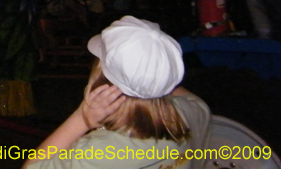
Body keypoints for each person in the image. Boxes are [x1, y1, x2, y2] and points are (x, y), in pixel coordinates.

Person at [24, 16, 211, 169]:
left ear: (103, 79)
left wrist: (81, 118)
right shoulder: (192, 110)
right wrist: (155, 74)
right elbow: (184, 95)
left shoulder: (103, 151)